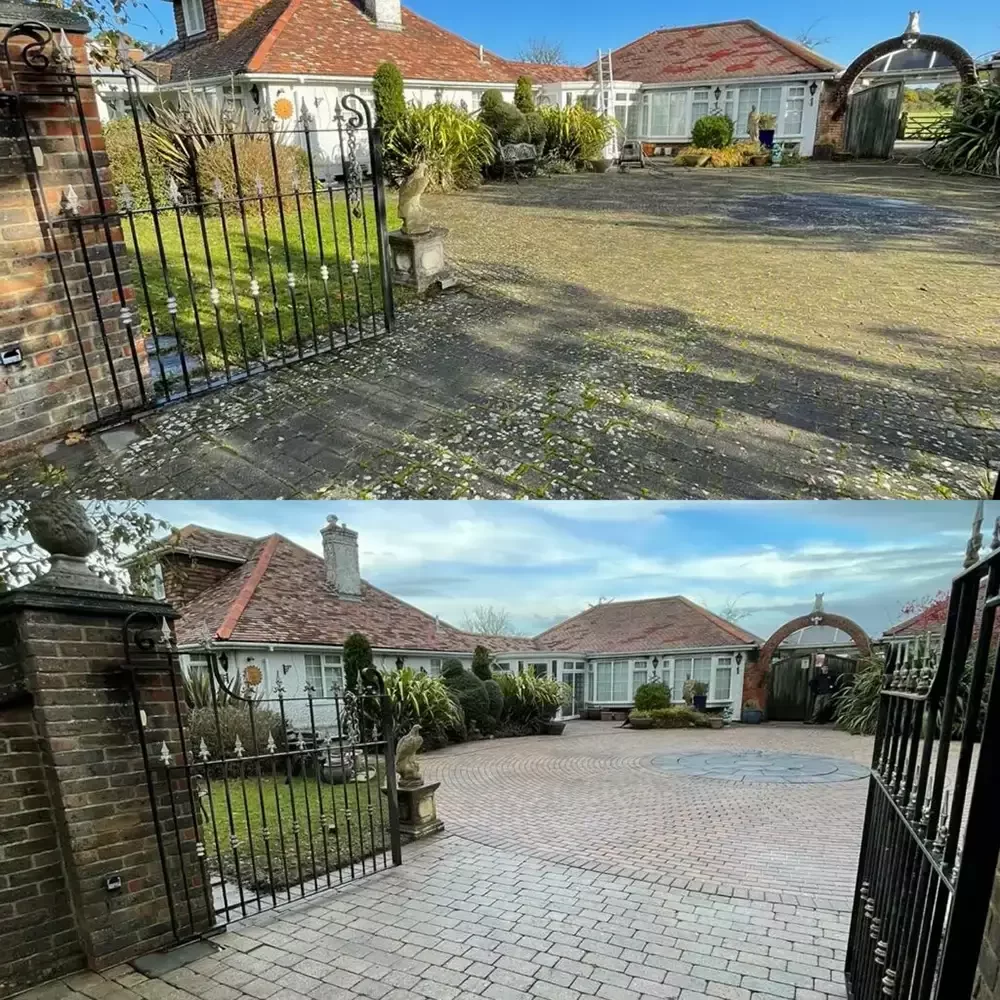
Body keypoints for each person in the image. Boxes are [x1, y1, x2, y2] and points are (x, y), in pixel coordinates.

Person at [806, 659, 836, 724]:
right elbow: (811, 683)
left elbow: (836, 684)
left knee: (825, 707)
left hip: (828, 694)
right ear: (821, 668)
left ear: (828, 668)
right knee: (817, 707)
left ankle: (821, 720)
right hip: (820, 694)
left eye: (826, 667)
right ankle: (813, 720)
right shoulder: (819, 676)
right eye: (824, 667)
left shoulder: (832, 676)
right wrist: (816, 690)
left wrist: (832, 688)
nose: (825, 669)